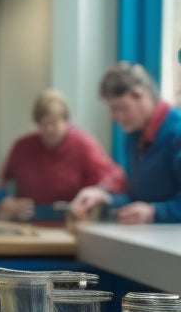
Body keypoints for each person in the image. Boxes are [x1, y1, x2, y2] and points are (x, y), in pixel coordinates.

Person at [69, 62, 181, 224]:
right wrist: (104, 198)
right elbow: (139, 198)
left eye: (120, 108)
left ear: (140, 94)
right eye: (112, 109)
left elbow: (151, 206)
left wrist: (155, 212)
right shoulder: (133, 137)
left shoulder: (176, 133)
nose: (116, 117)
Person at [0, 88, 126, 223]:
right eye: (44, 124)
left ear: (66, 121)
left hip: (71, 224)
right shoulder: (22, 147)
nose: (49, 129)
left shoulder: (84, 144)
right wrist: (4, 201)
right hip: (30, 225)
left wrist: (97, 191)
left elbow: (114, 178)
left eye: (54, 123)